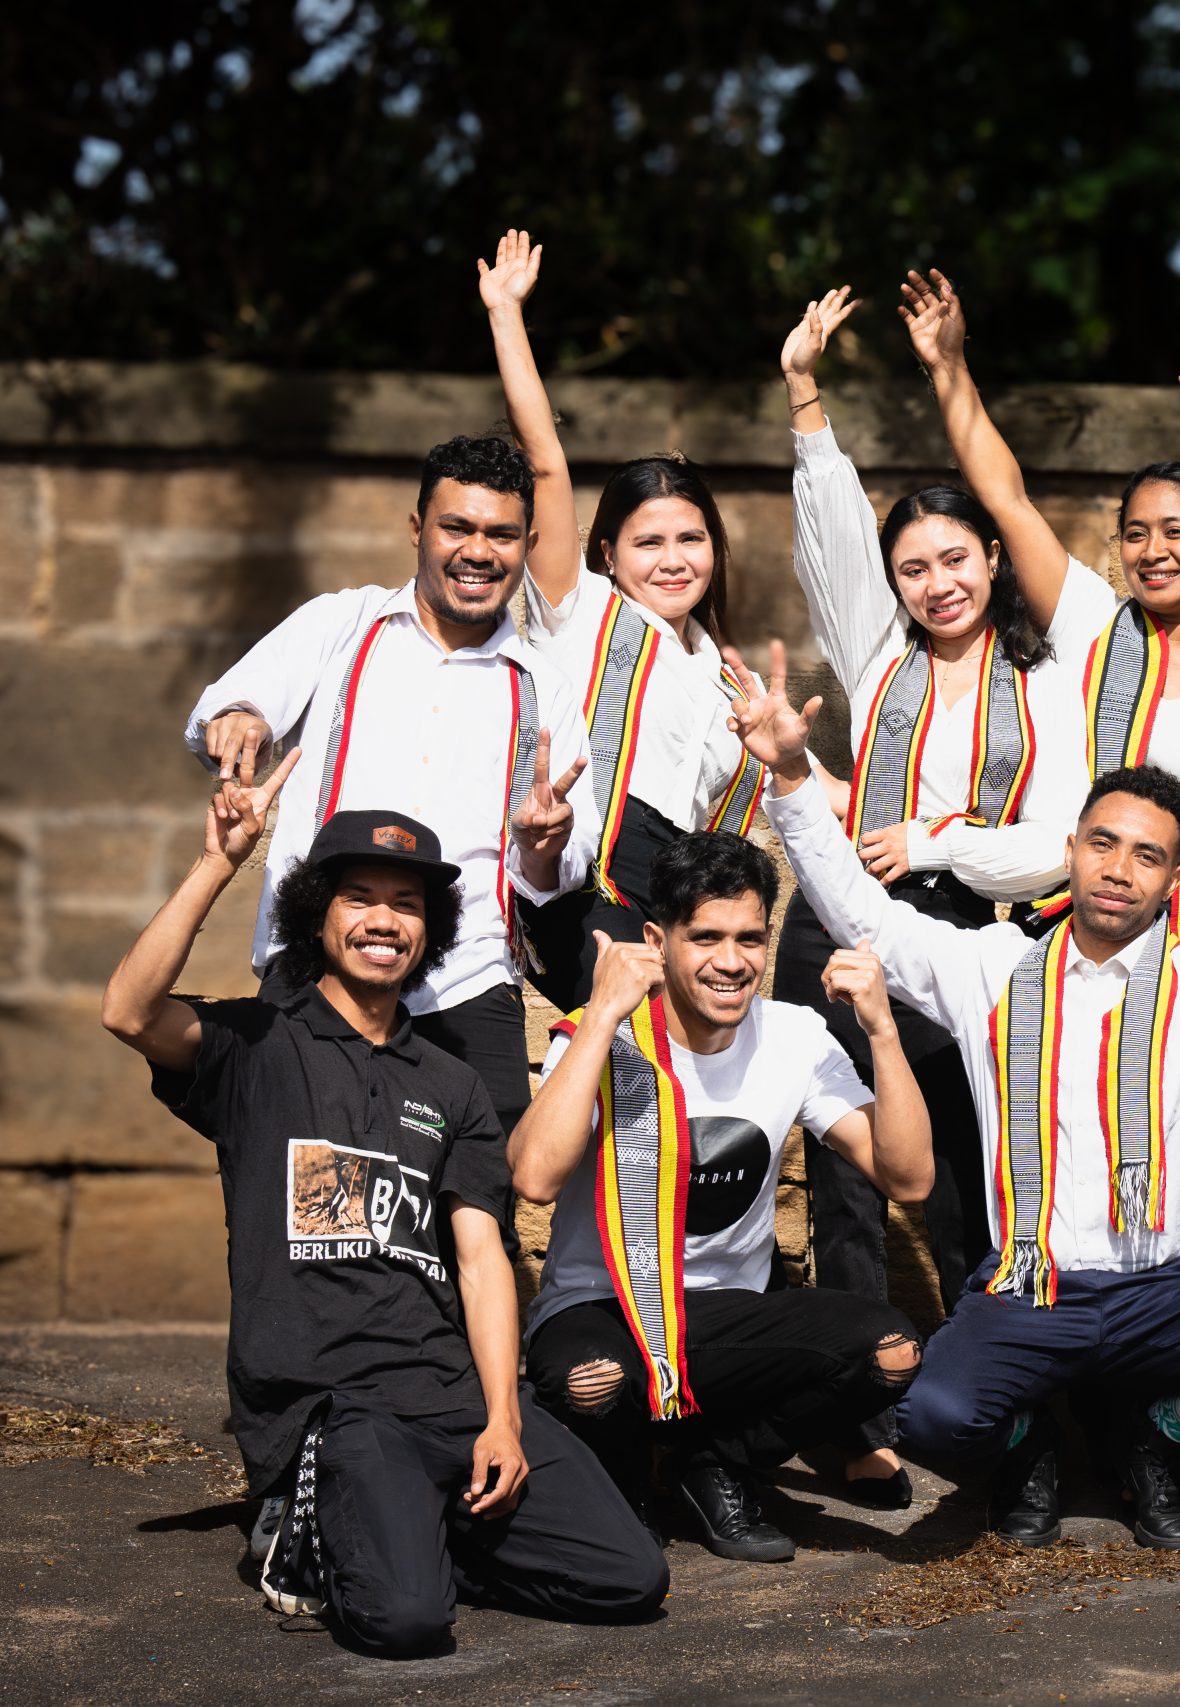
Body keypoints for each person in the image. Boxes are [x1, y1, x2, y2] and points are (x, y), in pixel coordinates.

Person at [732, 645, 1180, 1550]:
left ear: (1171, 878)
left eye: (1147, 855)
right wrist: (790, 774)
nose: (1118, 868)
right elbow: (863, 912)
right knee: (933, 1414)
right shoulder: (991, 965)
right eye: (1102, 842)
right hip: (1029, 1285)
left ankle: (1161, 1435)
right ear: (1071, 850)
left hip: (1160, 1287)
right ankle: (1027, 1447)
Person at [100, 775, 664, 1656]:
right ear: (318, 916)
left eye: (407, 904)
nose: (384, 919)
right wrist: (218, 862)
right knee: (405, 1622)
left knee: (629, 1577)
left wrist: (504, 1417)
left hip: (448, 1393)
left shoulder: (452, 1084)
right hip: (336, 1410)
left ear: (430, 930)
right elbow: (127, 1010)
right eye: (359, 897)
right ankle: (319, 1524)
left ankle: (412, 1538)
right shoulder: (257, 1046)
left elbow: (481, 1260)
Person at [895, 268, 1180, 1273]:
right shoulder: (1090, 634)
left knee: (1174, 1174)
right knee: (1048, 1156)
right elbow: (1004, 496)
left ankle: (1163, 1387)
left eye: (1176, 533)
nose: (1151, 551)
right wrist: (949, 370)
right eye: (1135, 533)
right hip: (1073, 954)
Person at [769, 286, 1094, 1511]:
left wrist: (947, 841)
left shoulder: (1048, 673)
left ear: (992, 560)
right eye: (914, 567)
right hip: (844, 921)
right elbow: (830, 534)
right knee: (849, 1173)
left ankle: (1002, 1421)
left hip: (974, 936)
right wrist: (806, 393)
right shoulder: (877, 653)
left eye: (954, 558)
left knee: (979, 1171)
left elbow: (1058, 845)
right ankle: (858, 1416)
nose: (934, 582)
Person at [511, 831, 933, 1564]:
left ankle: (711, 1458)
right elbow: (534, 1178)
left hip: (726, 1316)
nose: (731, 961)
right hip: (604, 1308)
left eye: (749, 937)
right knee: (591, 1381)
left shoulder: (794, 1037)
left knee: (891, 1354)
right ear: (657, 939)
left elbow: (908, 1177)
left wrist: (883, 1029)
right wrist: (603, 1015)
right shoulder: (605, 1035)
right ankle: (622, 1475)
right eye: (705, 936)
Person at [187, 433, 598, 1146]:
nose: (479, 551)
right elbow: (229, 706)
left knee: (477, 1220)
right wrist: (241, 719)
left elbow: (562, 870)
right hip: (316, 972)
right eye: (457, 527)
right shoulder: (341, 625)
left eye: (501, 534)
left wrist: (545, 841)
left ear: (528, 542)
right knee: (293, 1213)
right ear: (418, 529)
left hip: (467, 986)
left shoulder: (544, 686)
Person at [479, 229, 767, 1010]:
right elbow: (544, 463)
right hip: (586, 885)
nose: (674, 559)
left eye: (691, 539)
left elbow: (797, 792)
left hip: (680, 903)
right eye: (649, 541)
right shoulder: (587, 610)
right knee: (635, 1058)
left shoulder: (725, 671)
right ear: (607, 550)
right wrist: (507, 315)